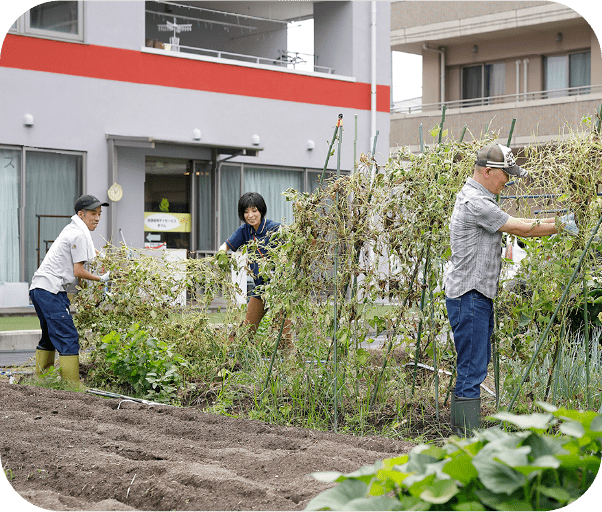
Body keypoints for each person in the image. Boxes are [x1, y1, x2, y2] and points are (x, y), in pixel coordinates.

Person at [443, 143, 576, 435]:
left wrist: (560, 221)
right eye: (506, 175)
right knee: (472, 366)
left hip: (473, 293)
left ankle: (461, 436)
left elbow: (521, 222)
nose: (509, 181)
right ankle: (465, 440)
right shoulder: (475, 203)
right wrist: (566, 225)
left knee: (474, 363)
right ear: (488, 171)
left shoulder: (481, 199)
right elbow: (521, 229)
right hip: (470, 294)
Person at [30, 194, 110, 384]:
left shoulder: (73, 229)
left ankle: (43, 381)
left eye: (99, 213)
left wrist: (104, 257)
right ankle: (72, 387)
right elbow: (78, 270)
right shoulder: (79, 234)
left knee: (49, 337)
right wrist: (101, 278)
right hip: (50, 290)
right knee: (68, 336)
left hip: (41, 288)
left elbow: (87, 251)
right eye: (93, 213)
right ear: (81, 214)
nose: (97, 218)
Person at [218, 192, 291, 347]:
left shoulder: (275, 229)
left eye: (254, 210)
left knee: (284, 336)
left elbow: (294, 245)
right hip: (261, 288)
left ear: (261, 211)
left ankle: (290, 368)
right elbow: (226, 245)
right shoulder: (245, 231)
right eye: (246, 212)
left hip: (280, 288)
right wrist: (221, 253)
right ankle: (239, 363)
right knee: (247, 330)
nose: (250, 215)